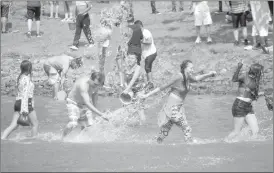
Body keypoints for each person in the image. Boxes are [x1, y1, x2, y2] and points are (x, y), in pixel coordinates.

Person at [139, 60, 217, 144]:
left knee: (164, 132)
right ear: (185, 68)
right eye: (191, 68)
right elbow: (162, 87)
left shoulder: (188, 77)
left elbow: (197, 78)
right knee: (186, 128)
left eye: (193, 68)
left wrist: (209, 74)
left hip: (178, 107)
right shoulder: (178, 77)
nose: (193, 70)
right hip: (172, 107)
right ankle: (190, 145)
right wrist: (146, 95)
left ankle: (153, 143)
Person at [62, 71, 109, 139]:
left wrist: (95, 112)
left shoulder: (96, 84)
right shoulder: (83, 85)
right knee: (73, 124)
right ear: (90, 79)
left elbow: (95, 94)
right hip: (73, 103)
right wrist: (101, 114)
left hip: (85, 106)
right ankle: (62, 139)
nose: (96, 86)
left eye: (98, 85)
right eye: (95, 84)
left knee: (89, 126)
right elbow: (87, 102)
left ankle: (79, 140)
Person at [226, 62, 264, 141]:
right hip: (239, 105)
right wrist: (239, 68)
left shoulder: (256, 81)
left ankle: (251, 148)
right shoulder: (245, 76)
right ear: (256, 71)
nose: (262, 73)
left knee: (255, 131)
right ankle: (224, 143)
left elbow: (254, 96)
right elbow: (234, 79)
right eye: (261, 71)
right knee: (236, 132)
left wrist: (264, 94)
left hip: (248, 107)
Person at [1, 60, 39, 140]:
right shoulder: (26, 79)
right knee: (35, 124)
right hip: (25, 103)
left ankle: (3, 138)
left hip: (18, 102)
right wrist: (24, 110)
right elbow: (25, 94)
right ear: (29, 68)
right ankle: (34, 141)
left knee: (14, 125)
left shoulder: (20, 77)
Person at [122, 20, 144, 94]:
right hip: (135, 50)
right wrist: (127, 88)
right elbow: (124, 79)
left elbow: (133, 79)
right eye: (129, 58)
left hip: (139, 88)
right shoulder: (125, 65)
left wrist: (128, 89)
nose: (130, 60)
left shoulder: (138, 67)